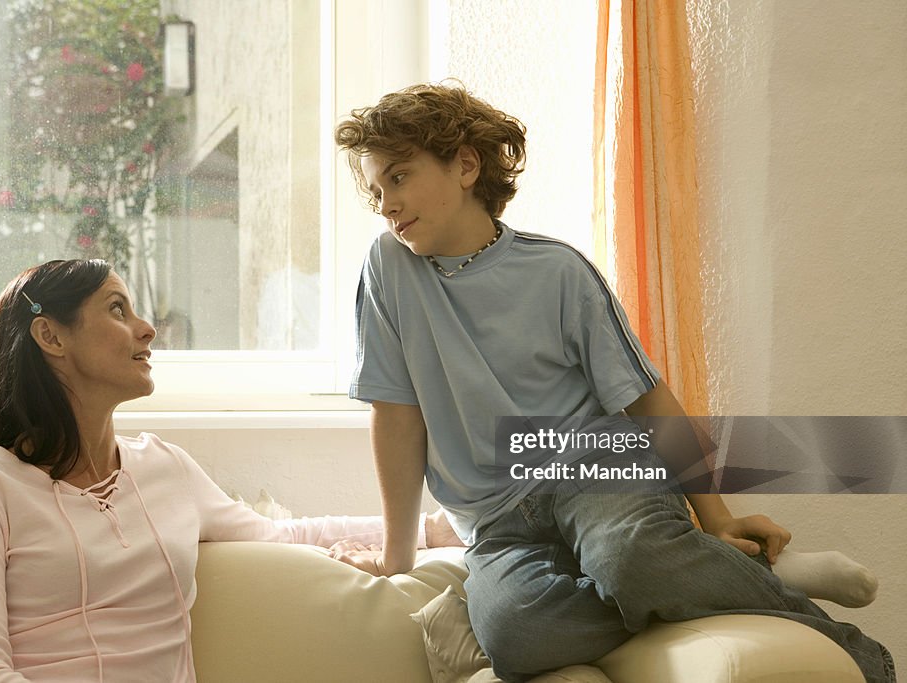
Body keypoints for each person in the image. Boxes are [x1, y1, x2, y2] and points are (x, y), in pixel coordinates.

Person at [333, 83, 895, 682]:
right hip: (496, 522)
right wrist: (398, 555)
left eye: (398, 178)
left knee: (631, 558)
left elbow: (647, 397)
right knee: (516, 633)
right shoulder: (388, 268)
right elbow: (395, 413)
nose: (386, 204)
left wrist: (719, 519)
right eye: (375, 191)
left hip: (594, 468)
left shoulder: (558, 272)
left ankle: (858, 659)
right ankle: (715, 576)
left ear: (465, 166)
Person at [0, 259, 455, 682]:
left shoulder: (165, 467)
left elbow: (281, 533)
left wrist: (430, 529)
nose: (147, 328)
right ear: (51, 337)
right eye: (118, 309)